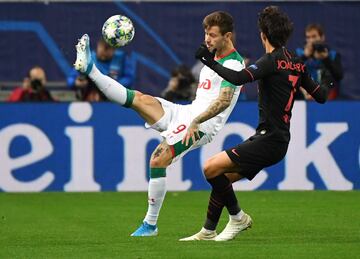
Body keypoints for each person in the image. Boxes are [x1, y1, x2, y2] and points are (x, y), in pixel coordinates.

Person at [74, 11, 246, 236]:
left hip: (202, 125)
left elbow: (223, 101)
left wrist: (196, 121)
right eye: (205, 33)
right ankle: (91, 70)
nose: (207, 39)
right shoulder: (212, 59)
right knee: (139, 99)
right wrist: (190, 116)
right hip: (188, 113)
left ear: (228, 36)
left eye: (212, 35)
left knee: (158, 159)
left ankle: (150, 224)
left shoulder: (233, 63)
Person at [180, 6, 333, 241]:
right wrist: (329, 78)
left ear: (263, 34)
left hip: (269, 139)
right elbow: (321, 96)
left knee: (210, 168)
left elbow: (239, 77)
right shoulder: (296, 62)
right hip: (276, 139)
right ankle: (208, 231)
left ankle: (238, 218)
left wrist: (208, 62)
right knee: (224, 179)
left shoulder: (270, 61)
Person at [67, 38, 136, 94]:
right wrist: (76, 83)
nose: (105, 52)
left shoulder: (122, 58)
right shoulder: (86, 59)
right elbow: (70, 80)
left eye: (109, 48)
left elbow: (129, 78)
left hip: (115, 97)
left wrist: (113, 85)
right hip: (90, 98)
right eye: (103, 48)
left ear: (114, 49)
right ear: (98, 46)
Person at [296, 23, 343, 100]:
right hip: (303, 96)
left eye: (314, 36)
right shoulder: (299, 53)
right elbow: (289, 73)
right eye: (308, 37)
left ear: (322, 37)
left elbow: (338, 76)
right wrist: (305, 56)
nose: (311, 40)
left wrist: (326, 59)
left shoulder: (332, 55)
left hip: (327, 97)